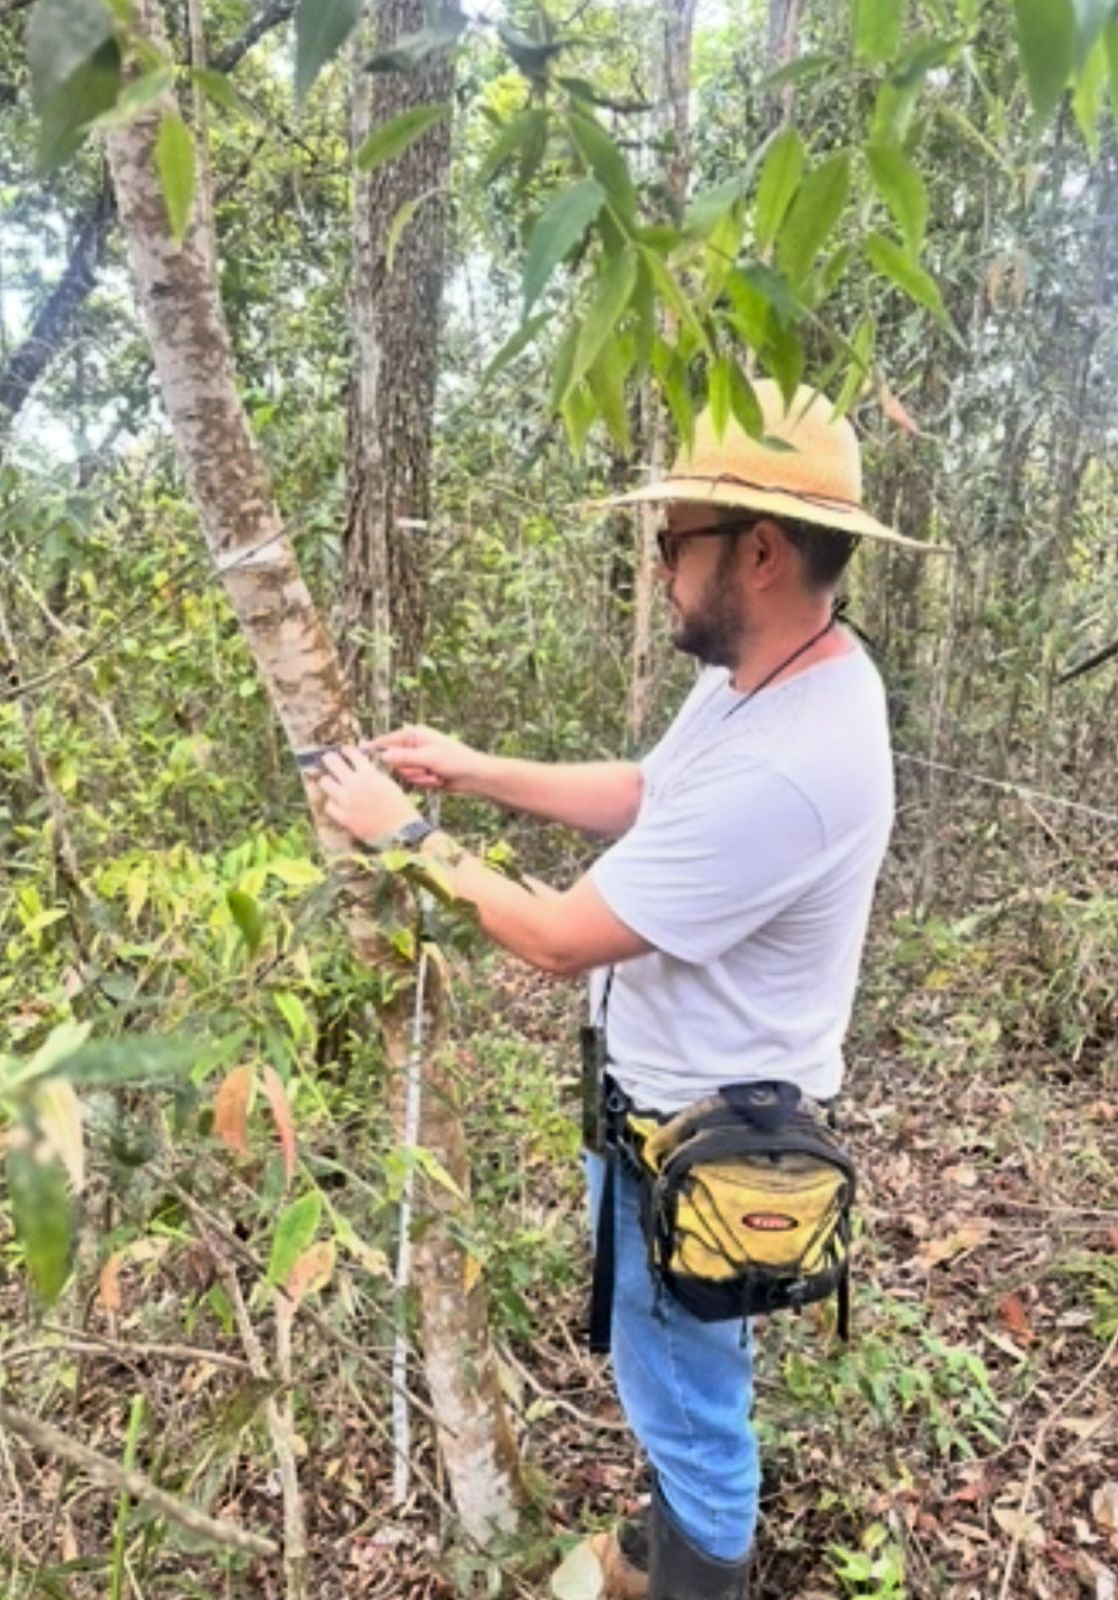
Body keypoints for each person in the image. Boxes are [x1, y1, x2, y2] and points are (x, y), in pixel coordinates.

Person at [318, 380, 945, 1600]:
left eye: (674, 542)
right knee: (682, 1373)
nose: (658, 569)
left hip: (698, 1144)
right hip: (673, 1112)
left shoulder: (793, 762)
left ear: (759, 553)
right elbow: (653, 791)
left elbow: (559, 937)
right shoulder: (775, 672)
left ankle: (697, 1569)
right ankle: (671, 1541)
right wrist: (473, 770)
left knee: (689, 1401)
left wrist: (404, 837)